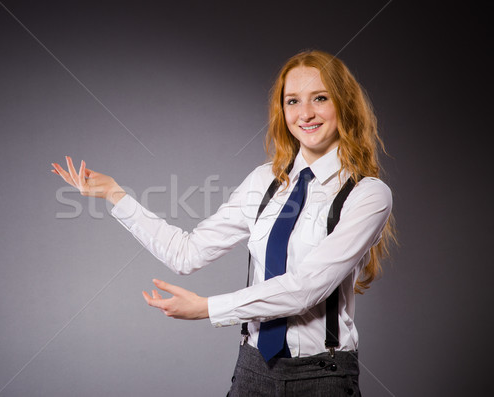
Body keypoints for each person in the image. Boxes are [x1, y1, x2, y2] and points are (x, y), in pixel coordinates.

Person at [51, 49, 395, 396]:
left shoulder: (368, 195)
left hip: (322, 377)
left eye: (320, 98)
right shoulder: (264, 181)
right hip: (253, 370)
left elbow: (305, 288)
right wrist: (115, 195)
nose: (305, 113)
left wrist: (208, 308)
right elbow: (187, 253)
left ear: (344, 104)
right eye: (292, 101)